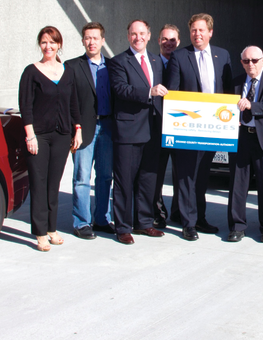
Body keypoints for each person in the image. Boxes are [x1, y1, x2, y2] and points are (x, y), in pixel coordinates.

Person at [165, 13, 234, 241]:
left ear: (210, 32)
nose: (197, 34)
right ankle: (188, 223)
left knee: (203, 175)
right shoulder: (179, 56)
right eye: (194, 30)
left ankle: (200, 218)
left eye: (201, 30)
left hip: (212, 127)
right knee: (186, 175)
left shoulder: (222, 55)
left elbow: (228, 91)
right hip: (187, 128)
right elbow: (173, 93)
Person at [19, 26, 82, 252]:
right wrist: (30, 136)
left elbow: (73, 103)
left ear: (59, 45)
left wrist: (78, 129)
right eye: (44, 42)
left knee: (53, 184)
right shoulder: (31, 72)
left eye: (52, 42)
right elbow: (25, 107)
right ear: (40, 45)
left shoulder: (67, 71)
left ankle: (52, 228)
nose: (48, 46)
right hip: (39, 136)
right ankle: (39, 233)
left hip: (62, 136)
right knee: (39, 183)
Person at [106, 20, 168, 245]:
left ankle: (144, 222)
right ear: (128, 36)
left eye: (142, 33)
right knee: (124, 181)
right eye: (134, 34)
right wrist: (149, 92)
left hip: (153, 130)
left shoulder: (155, 61)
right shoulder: (118, 62)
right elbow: (121, 89)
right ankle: (122, 227)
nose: (138, 37)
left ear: (149, 35)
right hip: (129, 131)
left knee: (148, 178)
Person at [227, 46, 263, 243]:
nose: (250, 64)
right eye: (246, 61)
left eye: (254, 60)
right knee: (237, 184)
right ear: (241, 62)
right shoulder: (235, 82)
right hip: (241, 138)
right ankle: (237, 226)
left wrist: (253, 105)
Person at [65, 22, 113, 241]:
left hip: (108, 128)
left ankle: (102, 219)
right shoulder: (72, 66)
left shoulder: (113, 67)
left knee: (104, 177)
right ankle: (81, 222)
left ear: (103, 40)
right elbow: (67, 102)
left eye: (95, 38)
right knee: (82, 177)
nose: (91, 41)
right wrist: (74, 128)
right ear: (83, 41)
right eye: (87, 38)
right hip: (83, 129)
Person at [153, 24, 181, 229]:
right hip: (155, 127)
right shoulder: (152, 64)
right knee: (157, 173)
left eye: (172, 40)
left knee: (181, 173)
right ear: (158, 41)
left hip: (180, 127)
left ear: (178, 42)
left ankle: (179, 212)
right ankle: (157, 212)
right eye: (165, 39)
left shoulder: (185, 62)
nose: (168, 43)